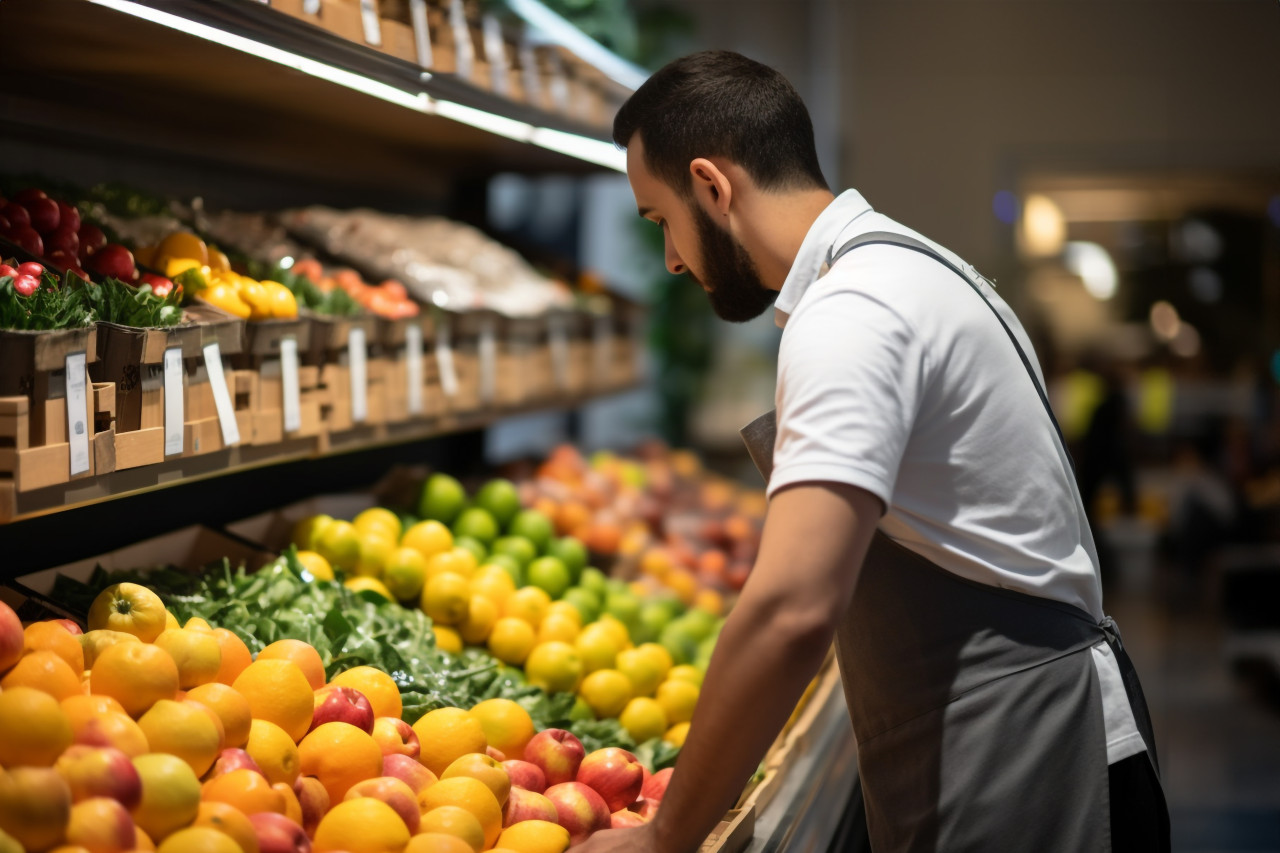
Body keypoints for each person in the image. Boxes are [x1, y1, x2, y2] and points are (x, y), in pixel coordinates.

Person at [578, 50, 1169, 853]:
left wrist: (664, 835)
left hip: (1024, 756)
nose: (674, 259)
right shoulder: (911, 268)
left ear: (712, 187)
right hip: (1021, 732)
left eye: (661, 222)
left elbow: (793, 607)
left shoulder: (852, 309)